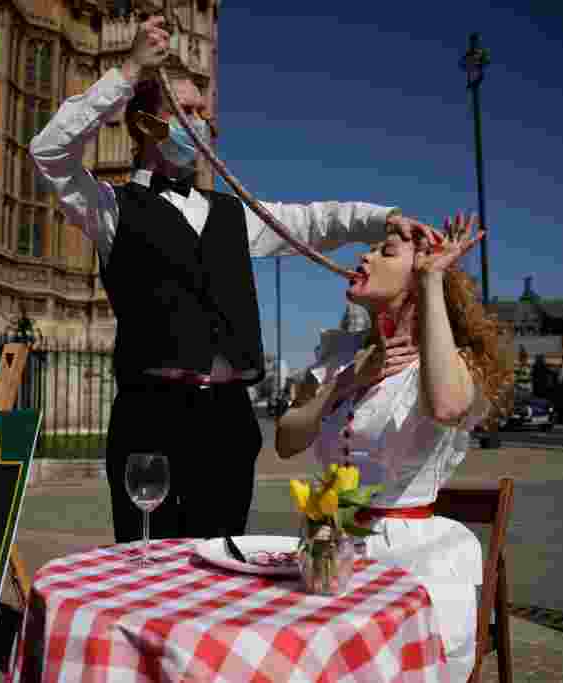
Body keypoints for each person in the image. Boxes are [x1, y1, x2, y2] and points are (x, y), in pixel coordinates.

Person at [29, 14, 438, 544]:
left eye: (204, 111)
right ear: (148, 125)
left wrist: (380, 219)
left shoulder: (234, 214)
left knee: (220, 562)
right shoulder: (110, 208)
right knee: (150, 564)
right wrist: (128, 71)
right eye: (188, 110)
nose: (204, 122)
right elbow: (49, 153)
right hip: (151, 417)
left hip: (228, 422)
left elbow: (314, 221)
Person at [275, 213, 513, 681]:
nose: (362, 256)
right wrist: (345, 383)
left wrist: (430, 280)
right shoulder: (342, 355)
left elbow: (446, 406)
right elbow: (286, 440)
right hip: (329, 547)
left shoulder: (445, 363)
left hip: (407, 557)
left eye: (384, 252)